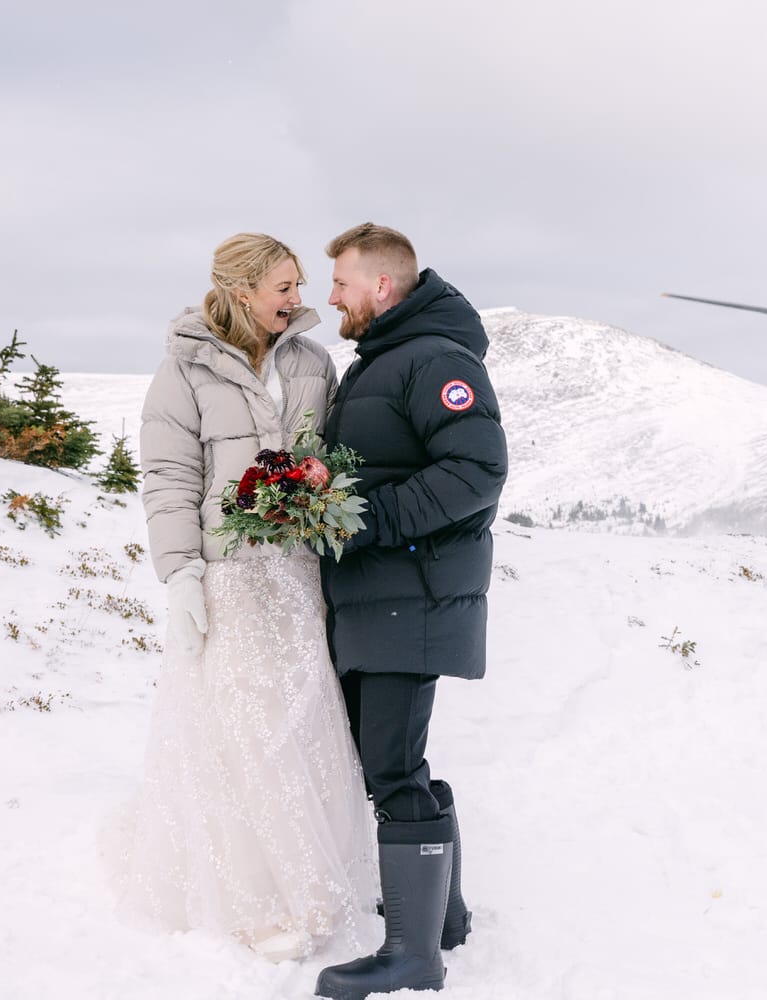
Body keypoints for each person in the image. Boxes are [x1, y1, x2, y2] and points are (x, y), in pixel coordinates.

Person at [108, 233, 380, 963]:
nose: (299, 299)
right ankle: (255, 904)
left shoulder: (312, 361)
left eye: (298, 284)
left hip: (297, 573)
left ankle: (313, 886)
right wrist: (183, 576)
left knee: (302, 721)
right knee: (245, 732)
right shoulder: (184, 369)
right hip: (228, 578)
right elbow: (167, 479)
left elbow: (326, 456)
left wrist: (319, 490)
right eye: (284, 287)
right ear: (238, 291)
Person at [313, 224, 507, 1000]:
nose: (331, 297)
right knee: (388, 760)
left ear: (382, 286)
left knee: (391, 768)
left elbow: (477, 469)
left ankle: (411, 955)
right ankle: (443, 919)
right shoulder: (387, 361)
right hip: (381, 594)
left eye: (340, 283)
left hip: (409, 593)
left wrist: (373, 521)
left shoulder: (436, 361)